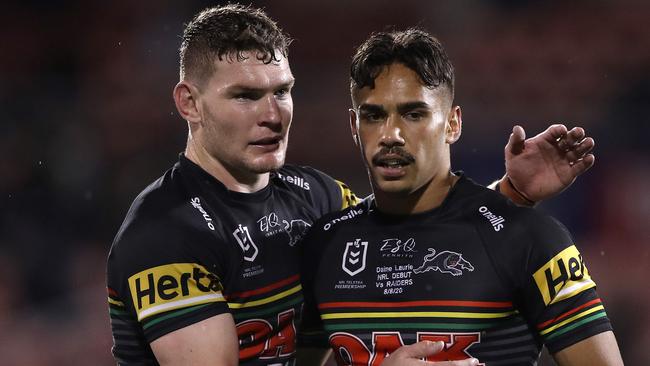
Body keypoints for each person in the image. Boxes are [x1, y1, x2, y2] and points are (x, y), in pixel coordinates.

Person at [106, 5, 597, 366]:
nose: (272, 115)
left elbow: (403, 240)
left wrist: (509, 195)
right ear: (189, 103)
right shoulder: (166, 235)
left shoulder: (312, 195)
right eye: (245, 96)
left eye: (283, 91)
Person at [299, 29, 623, 366]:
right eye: (373, 116)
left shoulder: (530, 238)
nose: (390, 135)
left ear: (452, 124)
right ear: (354, 126)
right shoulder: (325, 244)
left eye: (414, 114)